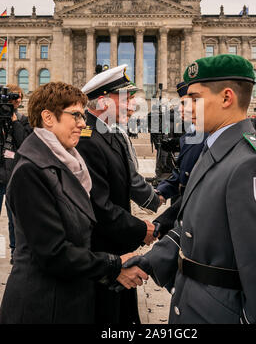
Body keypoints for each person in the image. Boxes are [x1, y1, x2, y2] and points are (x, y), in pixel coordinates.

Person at [124, 54, 256, 324]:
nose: (186, 107)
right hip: (193, 304)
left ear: (226, 98)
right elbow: (191, 226)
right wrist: (150, 261)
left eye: (194, 98)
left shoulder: (252, 167)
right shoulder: (214, 150)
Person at [0, 81, 147, 324]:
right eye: (76, 115)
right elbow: (54, 252)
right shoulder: (31, 170)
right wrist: (113, 265)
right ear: (48, 117)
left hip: (69, 299)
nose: (83, 122)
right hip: (43, 307)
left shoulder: (67, 161)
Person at [77, 65, 158, 324]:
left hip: (115, 246)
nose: (133, 103)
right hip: (101, 252)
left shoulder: (106, 132)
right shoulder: (89, 138)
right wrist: (140, 229)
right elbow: (98, 205)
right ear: (102, 101)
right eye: (126, 97)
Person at [153, 82, 208, 238]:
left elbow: (195, 190)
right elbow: (180, 172)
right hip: (183, 211)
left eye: (186, 103)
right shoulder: (192, 133)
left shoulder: (205, 135)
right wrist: (160, 193)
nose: (180, 109)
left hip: (193, 218)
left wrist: (161, 224)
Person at [0, 84, 31, 264]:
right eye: (13, 98)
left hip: (14, 175)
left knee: (15, 220)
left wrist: (14, 122)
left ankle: (15, 252)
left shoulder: (23, 120)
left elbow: (24, 143)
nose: (16, 100)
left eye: (18, 97)